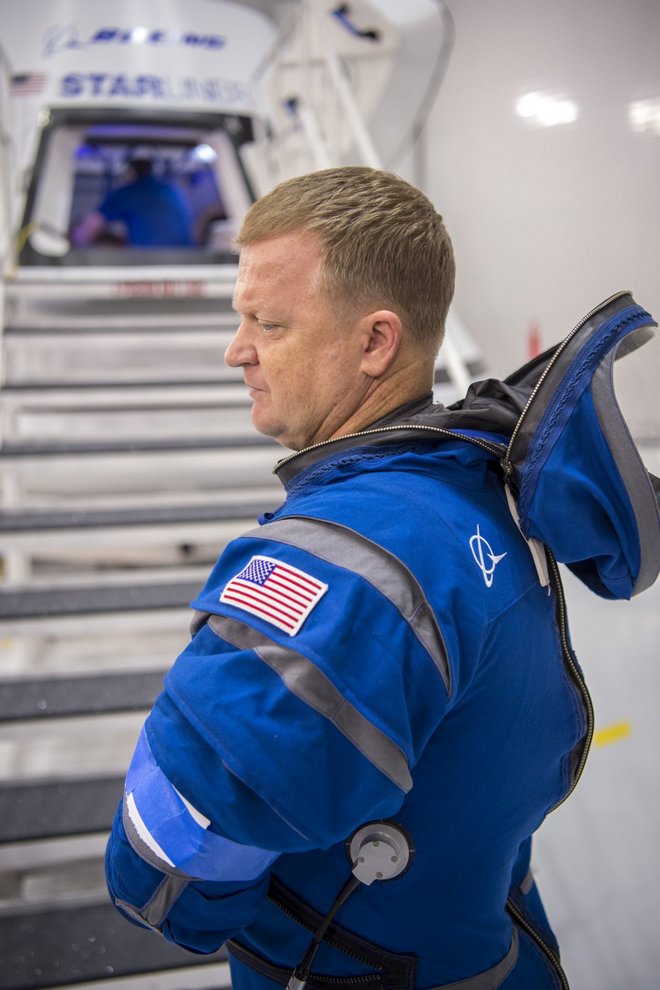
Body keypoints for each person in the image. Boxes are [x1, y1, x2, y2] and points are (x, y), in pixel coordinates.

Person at [104, 166, 591, 989]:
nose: (237, 350)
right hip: (496, 950)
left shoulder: (344, 568)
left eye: (268, 323)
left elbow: (169, 876)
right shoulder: (481, 491)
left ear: (374, 343)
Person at [71, 157, 194, 248]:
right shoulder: (171, 190)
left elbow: (86, 230)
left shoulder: (128, 192)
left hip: (148, 263)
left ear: (130, 171)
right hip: (186, 262)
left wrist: (72, 244)